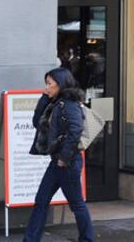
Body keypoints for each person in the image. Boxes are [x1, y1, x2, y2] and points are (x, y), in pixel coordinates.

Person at [24, 68, 94, 242]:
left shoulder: (69, 104)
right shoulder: (55, 103)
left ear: (60, 84)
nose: (46, 87)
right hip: (56, 161)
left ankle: (87, 239)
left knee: (76, 204)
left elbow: (76, 130)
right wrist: (44, 98)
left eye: (50, 83)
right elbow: (37, 122)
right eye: (46, 83)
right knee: (41, 200)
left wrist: (64, 157)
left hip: (67, 162)